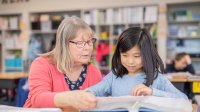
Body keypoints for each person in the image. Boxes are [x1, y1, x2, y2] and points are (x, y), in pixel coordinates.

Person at [24, 16, 102, 111]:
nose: (88, 48)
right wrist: (71, 98)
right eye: (80, 43)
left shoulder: (94, 71)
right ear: (64, 44)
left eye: (89, 41)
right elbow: (38, 99)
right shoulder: (41, 64)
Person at [86, 27, 187, 99]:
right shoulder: (114, 76)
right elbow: (93, 91)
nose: (130, 61)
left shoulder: (157, 78)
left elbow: (183, 98)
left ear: (146, 55)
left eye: (136, 56)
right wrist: (84, 94)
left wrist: (153, 92)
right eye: (125, 55)